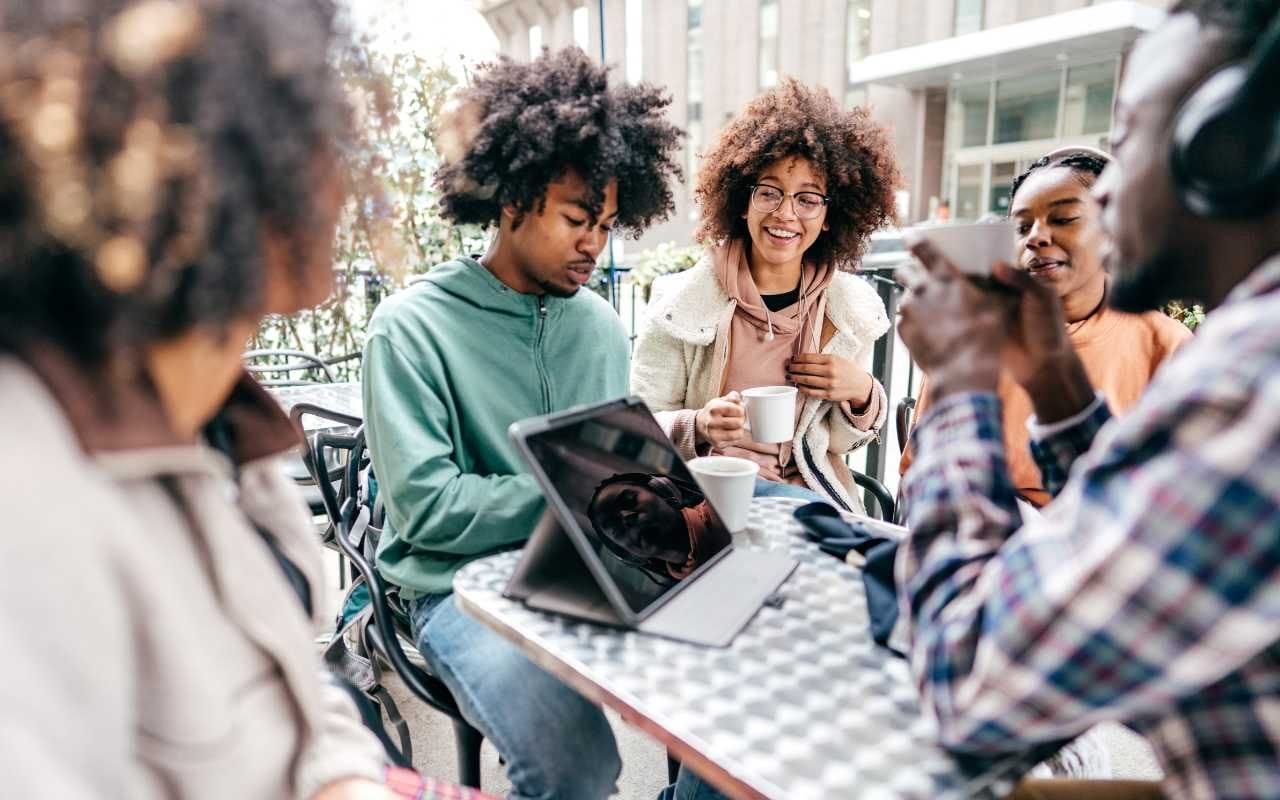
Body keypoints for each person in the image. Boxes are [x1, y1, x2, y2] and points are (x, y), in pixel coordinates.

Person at [0, 1, 485, 798]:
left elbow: (305, 683)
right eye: (316, 131)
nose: (347, 168)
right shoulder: (32, 509)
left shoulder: (226, 421)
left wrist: (342, 782)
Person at [894, 1, 1280, 797]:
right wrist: (1056, 384)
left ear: (1225, 144)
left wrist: (964, 371)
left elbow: (967, 684)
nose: (1103, 200)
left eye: (1130, 133)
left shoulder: (1251, 381)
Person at [362, 48, 682, 800]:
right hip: (457, 589)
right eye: (577, 219)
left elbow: (615, 467)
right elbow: (428, 511)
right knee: (575, 763)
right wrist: (577, 495)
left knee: (734, 690)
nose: (594, 245)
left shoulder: (601, 326)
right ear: (512, 201)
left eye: (606, 224)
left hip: (590, 570)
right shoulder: (408, 330)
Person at [631, 80, 899, 511]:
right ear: (742, 202)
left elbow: (840, 443)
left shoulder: (847, 312)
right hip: (704, 496)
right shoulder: (679, 304)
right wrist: (697, 424)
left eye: (808, 199)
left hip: (804, 497)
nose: (786, 213)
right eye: (769, 192)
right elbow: (638, 429)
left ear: (830, 216)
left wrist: (862, 392)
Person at [900, 148, 1191, 507]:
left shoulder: (1167, 346)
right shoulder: (975, 336)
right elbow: (921, 475)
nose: (1036, 237)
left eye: (1065, 218)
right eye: (1022, 227)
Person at [587, 473, 729, 581]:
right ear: (627, 554)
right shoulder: (678, 598)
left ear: (664, 489)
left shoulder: (729, 505)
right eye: (614, 527)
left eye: (629, 500)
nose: (627, 517)